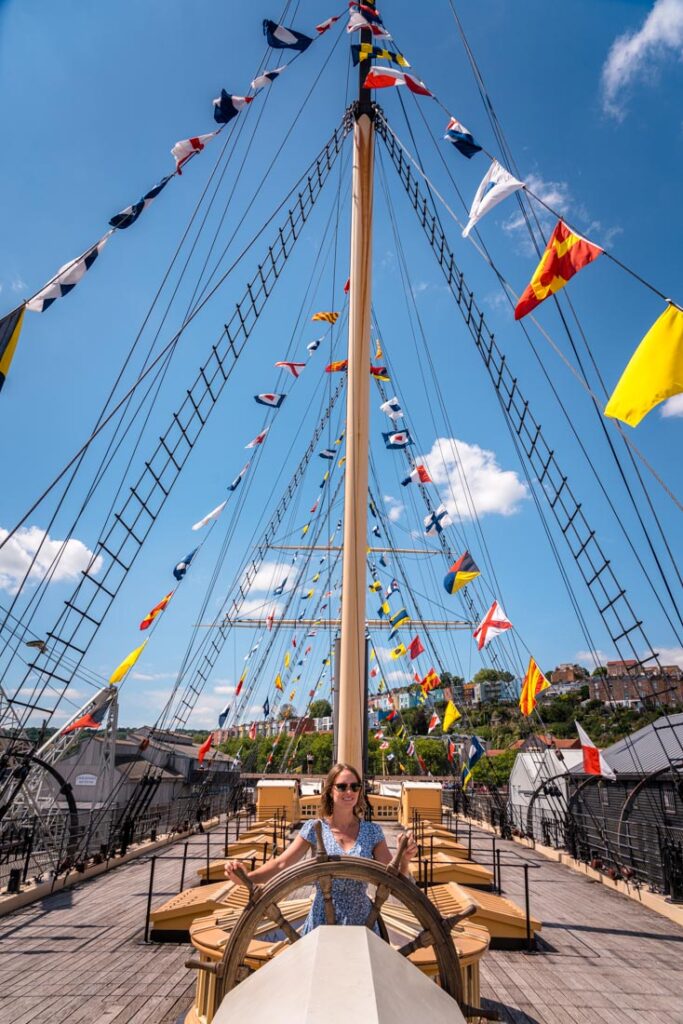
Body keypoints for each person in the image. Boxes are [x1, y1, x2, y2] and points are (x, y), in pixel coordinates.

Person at [224, 762, 418, 934]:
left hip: (362, 923)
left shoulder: (373, 832)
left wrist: (405, 859)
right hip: (321, 922)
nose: (349, 792)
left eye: (354, 786)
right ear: (330, 791)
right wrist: (247, 878)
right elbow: (281, 864)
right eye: (342, 787)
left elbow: (394, 880)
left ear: (360, 791)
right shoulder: (313, 828)